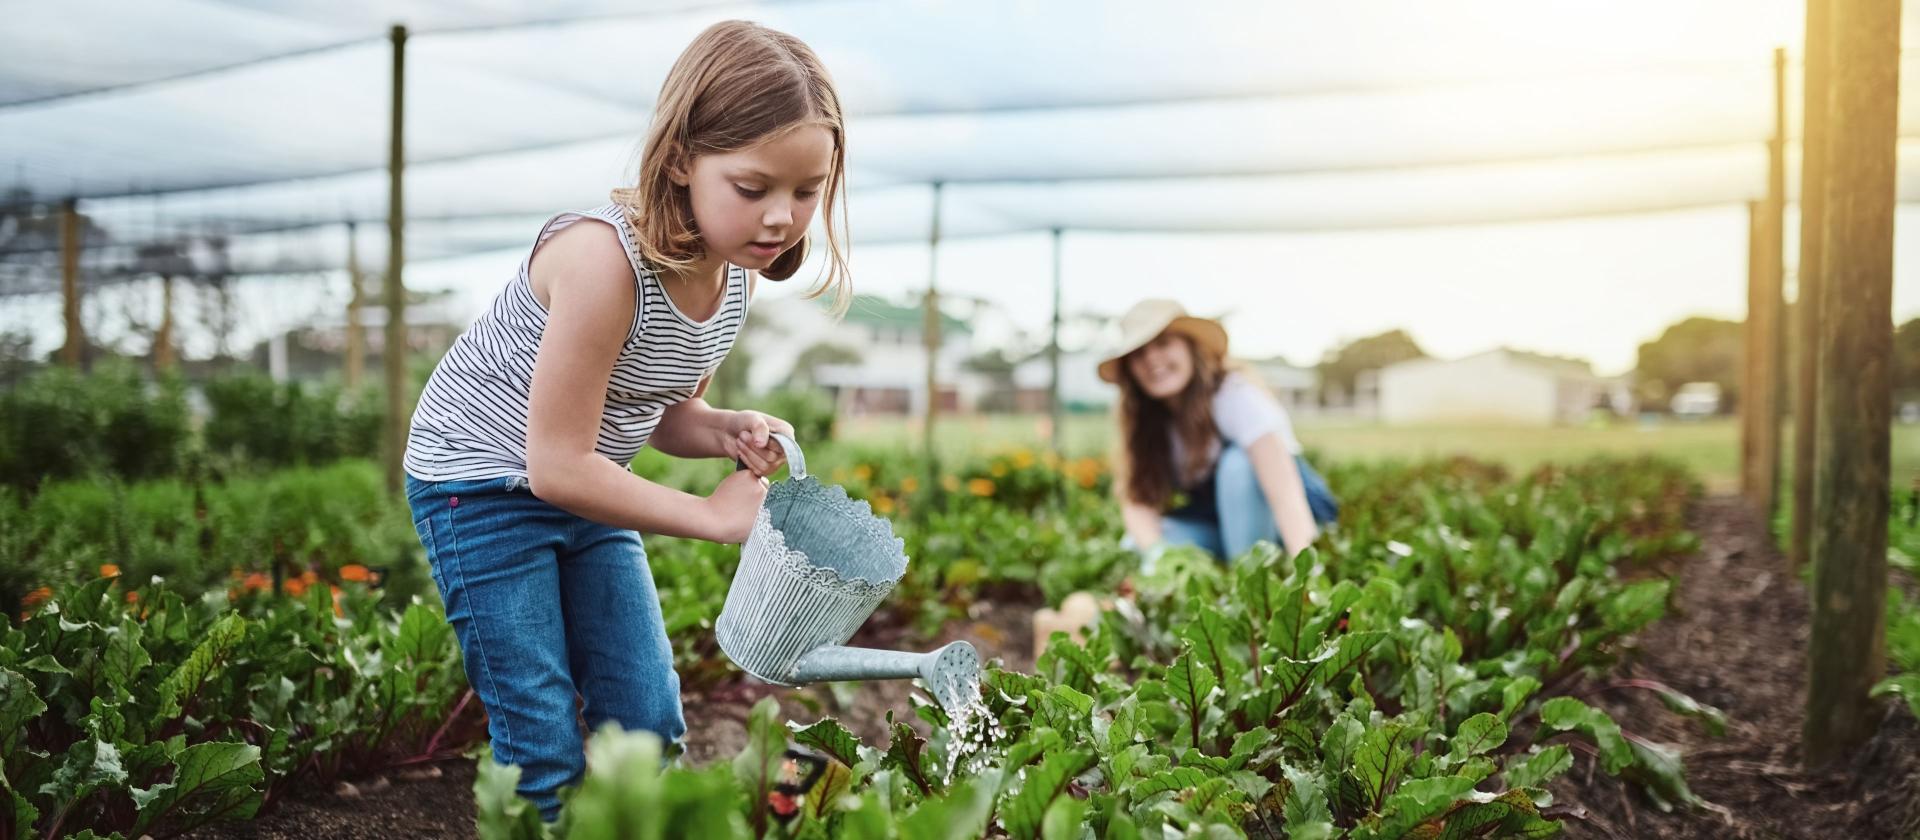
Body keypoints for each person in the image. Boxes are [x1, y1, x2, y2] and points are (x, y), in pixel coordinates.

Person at [400, 20, 850, 819]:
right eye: (753, 189)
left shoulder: (732, 279)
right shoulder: (602, 263)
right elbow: (557, 464)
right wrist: (712, 518)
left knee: (645, 720)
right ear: (680, 158)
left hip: (584, 488)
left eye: (806, 192)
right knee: (541, 742)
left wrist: (724, 428)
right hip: (481, 489)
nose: (781, 217)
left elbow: (666, 414)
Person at [1100, 299, 1338, 564]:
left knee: (1237, 464)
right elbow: (1138, 500)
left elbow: (1286, 496)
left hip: (1290, 523)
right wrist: (1158, 557)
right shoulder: (1147, 420)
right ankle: (1229, 564)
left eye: (1163, 343)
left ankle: (1248, 576)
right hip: (1224, 526)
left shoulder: (1233, 394)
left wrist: (1307, 569)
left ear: (1190, 347)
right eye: (1139, 353)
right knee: (1137, 542)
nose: (1151, 359)